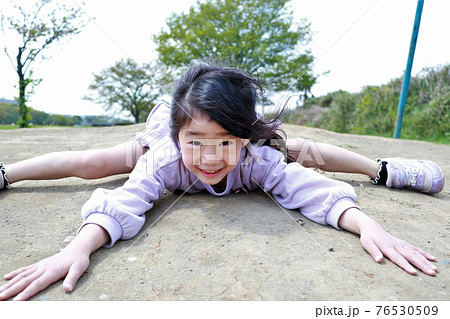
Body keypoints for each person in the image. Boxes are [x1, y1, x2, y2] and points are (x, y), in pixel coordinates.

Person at [0, 63, 440, 301]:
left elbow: (313, 190)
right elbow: (126, 200)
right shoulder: (167, 155)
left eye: (226, 144)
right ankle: (7, 172)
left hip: (239, 128)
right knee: (97, 161)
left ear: (244, 139)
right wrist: (77, 247)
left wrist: (368, 225)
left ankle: (380, 168)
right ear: (179, 137)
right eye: (197, 143)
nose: (210, 158)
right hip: (164, 137)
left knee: (300, 149)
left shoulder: (256, 155)